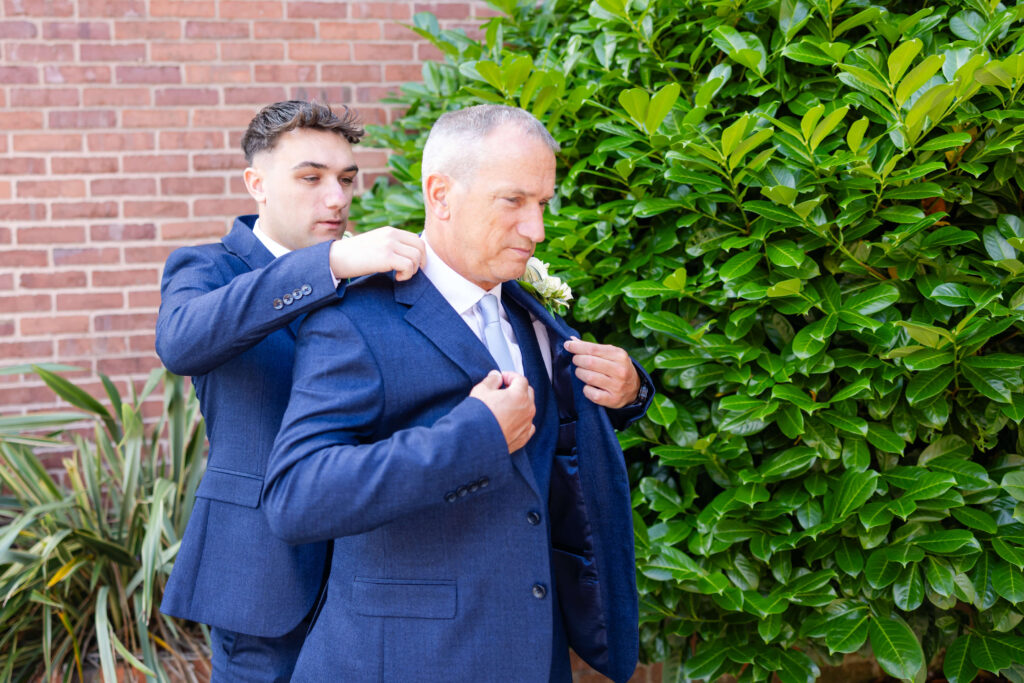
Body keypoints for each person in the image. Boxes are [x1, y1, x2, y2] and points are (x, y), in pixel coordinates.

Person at [262, 104, 653, 682]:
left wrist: (629, 390)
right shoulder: (355, 322)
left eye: (542, 203)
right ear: (440, 195)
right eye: (513, 201)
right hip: (412, 661)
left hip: (534, 655)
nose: (537, 229)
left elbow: (551, 440)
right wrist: (474, 438)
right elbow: (297, 497)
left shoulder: (529, 310)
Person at [156, 99, 426, 682]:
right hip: (258, 577)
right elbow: (180, 343)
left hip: (376, 570)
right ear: (256, 183)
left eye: (347, 179)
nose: (337, 198)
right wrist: (326, 262)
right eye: (312, 178)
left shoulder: (376, 279)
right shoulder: (206, 269)